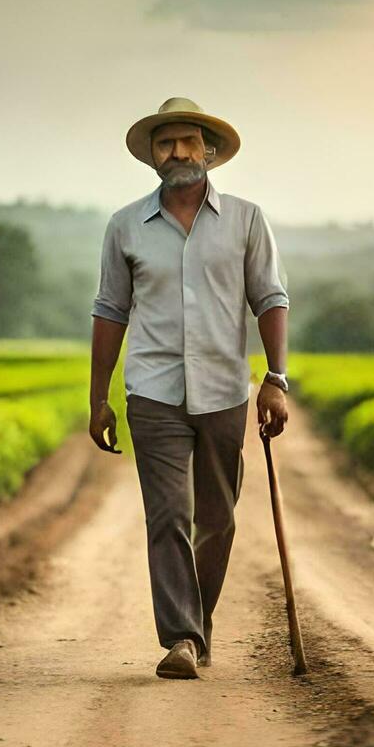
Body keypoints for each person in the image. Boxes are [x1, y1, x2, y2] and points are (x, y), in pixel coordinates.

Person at [88, 97, 291, 680]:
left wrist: (276, 380)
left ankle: (197, 625)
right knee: (169, 514)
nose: (176, 152)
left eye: (185, 142)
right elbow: (109, 310)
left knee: (219, 518)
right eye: (164, 143)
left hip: (225, 390)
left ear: (208, 150)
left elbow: (269, 299)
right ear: (152, 156)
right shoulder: (125, 226)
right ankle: (180, 636)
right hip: (152, 392)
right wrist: (98, 397)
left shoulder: (247, 220)